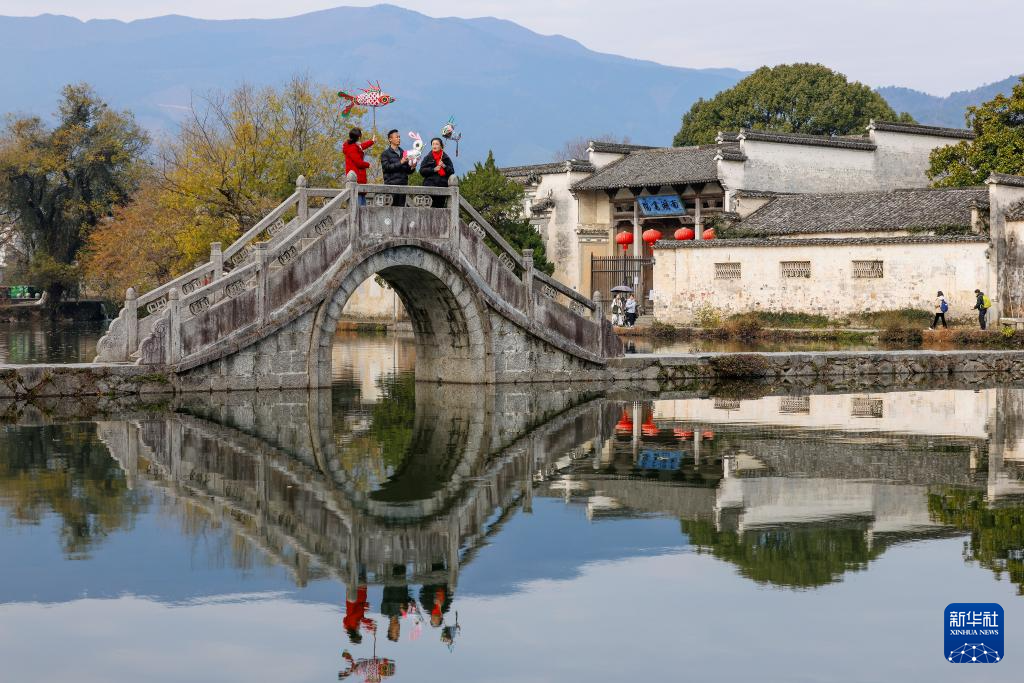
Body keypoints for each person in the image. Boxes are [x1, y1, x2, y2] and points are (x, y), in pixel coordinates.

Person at [380, 129, 415, 206]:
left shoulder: (404, 153)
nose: (399, 139)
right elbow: (387, 168)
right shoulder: (385, 154)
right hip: (391, 187)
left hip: (403, 186)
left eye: (399, 137)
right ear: (390, 139)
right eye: (397, 137)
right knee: (390, 210)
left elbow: (407, 171)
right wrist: (401, 162)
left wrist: (412, 167)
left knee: (401, 209)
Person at [418, 137, 455, 208]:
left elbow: (452, 171)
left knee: (440, 208)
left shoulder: (445, 158)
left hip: (442, 187)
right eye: (433, 144)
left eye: (437, 144)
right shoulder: (428, 157)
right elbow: (422, 171)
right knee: (428, 209)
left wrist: (444, 166)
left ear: (441, 146)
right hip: (429, 187)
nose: (434, 146)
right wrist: (433, 170)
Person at [343, 127, 375, 204]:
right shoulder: (352, 148)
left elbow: (362, 146)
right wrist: (368, 165)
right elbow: (359, 163)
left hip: (358, 179)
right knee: (359, 206)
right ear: (359, 137)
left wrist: (372, 141)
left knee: (362, 205)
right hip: (357, 178)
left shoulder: (352, 146)